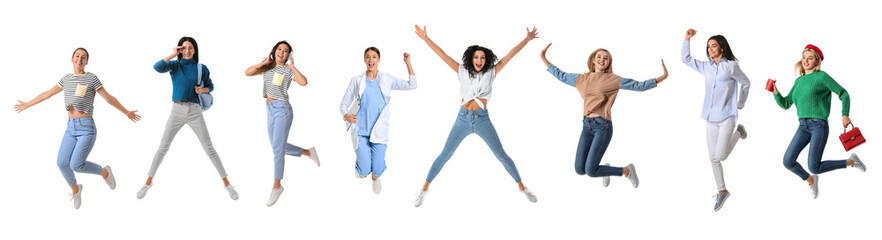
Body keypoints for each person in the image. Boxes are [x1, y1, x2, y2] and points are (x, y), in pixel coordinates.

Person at [412, 25, 539, 207]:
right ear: (471, 59)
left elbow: (509, 56)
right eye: (476, 57)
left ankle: (523, 187)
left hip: (482, 119)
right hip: (462, 118)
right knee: (445, 154)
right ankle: (423, 189)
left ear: (486, 60)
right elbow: (443, 55)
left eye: (482, 58)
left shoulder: (491, 73)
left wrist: (526, 40)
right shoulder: (462, 71)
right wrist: (426, 38)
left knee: (501, 155)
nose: (479, 60)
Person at [14, 48, 141, 209]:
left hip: (87, 128)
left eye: (83, 57)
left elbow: (109, 98)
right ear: (72, 59)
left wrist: (126, 112)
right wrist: (27, 104)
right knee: (61, 163)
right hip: (70, 128)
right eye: (77, 56)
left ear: (86, 61)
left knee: (76, 165)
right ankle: (76, 189)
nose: (79, 59)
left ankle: (105, 172)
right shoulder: (66, 79)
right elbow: (47, 93)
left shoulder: (92, 78)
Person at [539, 43, 667, 190]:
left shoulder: (612, 79)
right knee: (580, 169)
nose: (602, 59)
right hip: (586, 126)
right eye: (599, 56)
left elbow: (638, 85)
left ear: (608, 63)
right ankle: (605, 170)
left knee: (591, 171)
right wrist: (544, 59)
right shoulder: (581, 78)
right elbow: (561, 75)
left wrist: (662, 77)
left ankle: (626, 170)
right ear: (593, 59)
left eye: (606, 58)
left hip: (603, 127)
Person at [136, 36, 238, 200]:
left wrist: (202, 91)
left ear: (195, 50)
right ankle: (148, 182)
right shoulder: (175, 65)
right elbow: (157, 67)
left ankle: (228, 184)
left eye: (190, 47)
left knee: (209, 148)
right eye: (184, 48)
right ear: (180, 50)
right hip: (176, 110)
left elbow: (211, 86)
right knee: (163, 147)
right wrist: (172, 54)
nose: (188, 51)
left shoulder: (201, 68)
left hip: (194, 111)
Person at [770, 44, 866, 199]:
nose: (806, 60)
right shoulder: (798, 81)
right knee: (788, 161)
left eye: (810, 58)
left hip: (819, 125)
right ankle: (810, 180)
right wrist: (776, 93)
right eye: (803, 57)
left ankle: (851, 161)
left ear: (817, 61)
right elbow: (786, 104)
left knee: (814, 166)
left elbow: (843, 93)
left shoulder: (821, 77)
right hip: (803, 126)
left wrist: (845, 114)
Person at [245, 40, 320, 206]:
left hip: (283, 110)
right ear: (274, 50)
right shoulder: (267, 65)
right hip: (269, 109)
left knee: (277, 151)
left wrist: (292, 66)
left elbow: (303, 82)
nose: (281, 53)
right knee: (277, 147)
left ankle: (277, 186)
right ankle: (308, 152)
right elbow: (247, 72)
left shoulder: (287, 70)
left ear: (289, 55)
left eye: (286, 51)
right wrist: (264, 62)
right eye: (279, 49)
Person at [682, 29, 750, 212]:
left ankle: (739, 133)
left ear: (722, 48)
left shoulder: (731, 66)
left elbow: (746, 82)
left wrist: (741, 102)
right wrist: (687, 39)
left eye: (714, 46)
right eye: (708, 47)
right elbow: (686, 59)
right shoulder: (706, 66)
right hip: (710, 117)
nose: (710, 49)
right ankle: (721, 191)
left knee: (721, 155)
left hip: (727, 115)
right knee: (712, 158)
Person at [340, 47, 416, 194]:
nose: (371, 60)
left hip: (379, 132)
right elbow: (343, 104)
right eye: (368, 57)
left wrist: (408, 62)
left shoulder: (386, 79)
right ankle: (362, 170)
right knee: (364, 170)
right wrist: (346, 116)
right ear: (364, 60)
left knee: (378, 169)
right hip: (360, 131)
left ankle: (376, 177)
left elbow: (412, 85)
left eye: (374, 57)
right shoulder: (356, 80)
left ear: (379, 60)